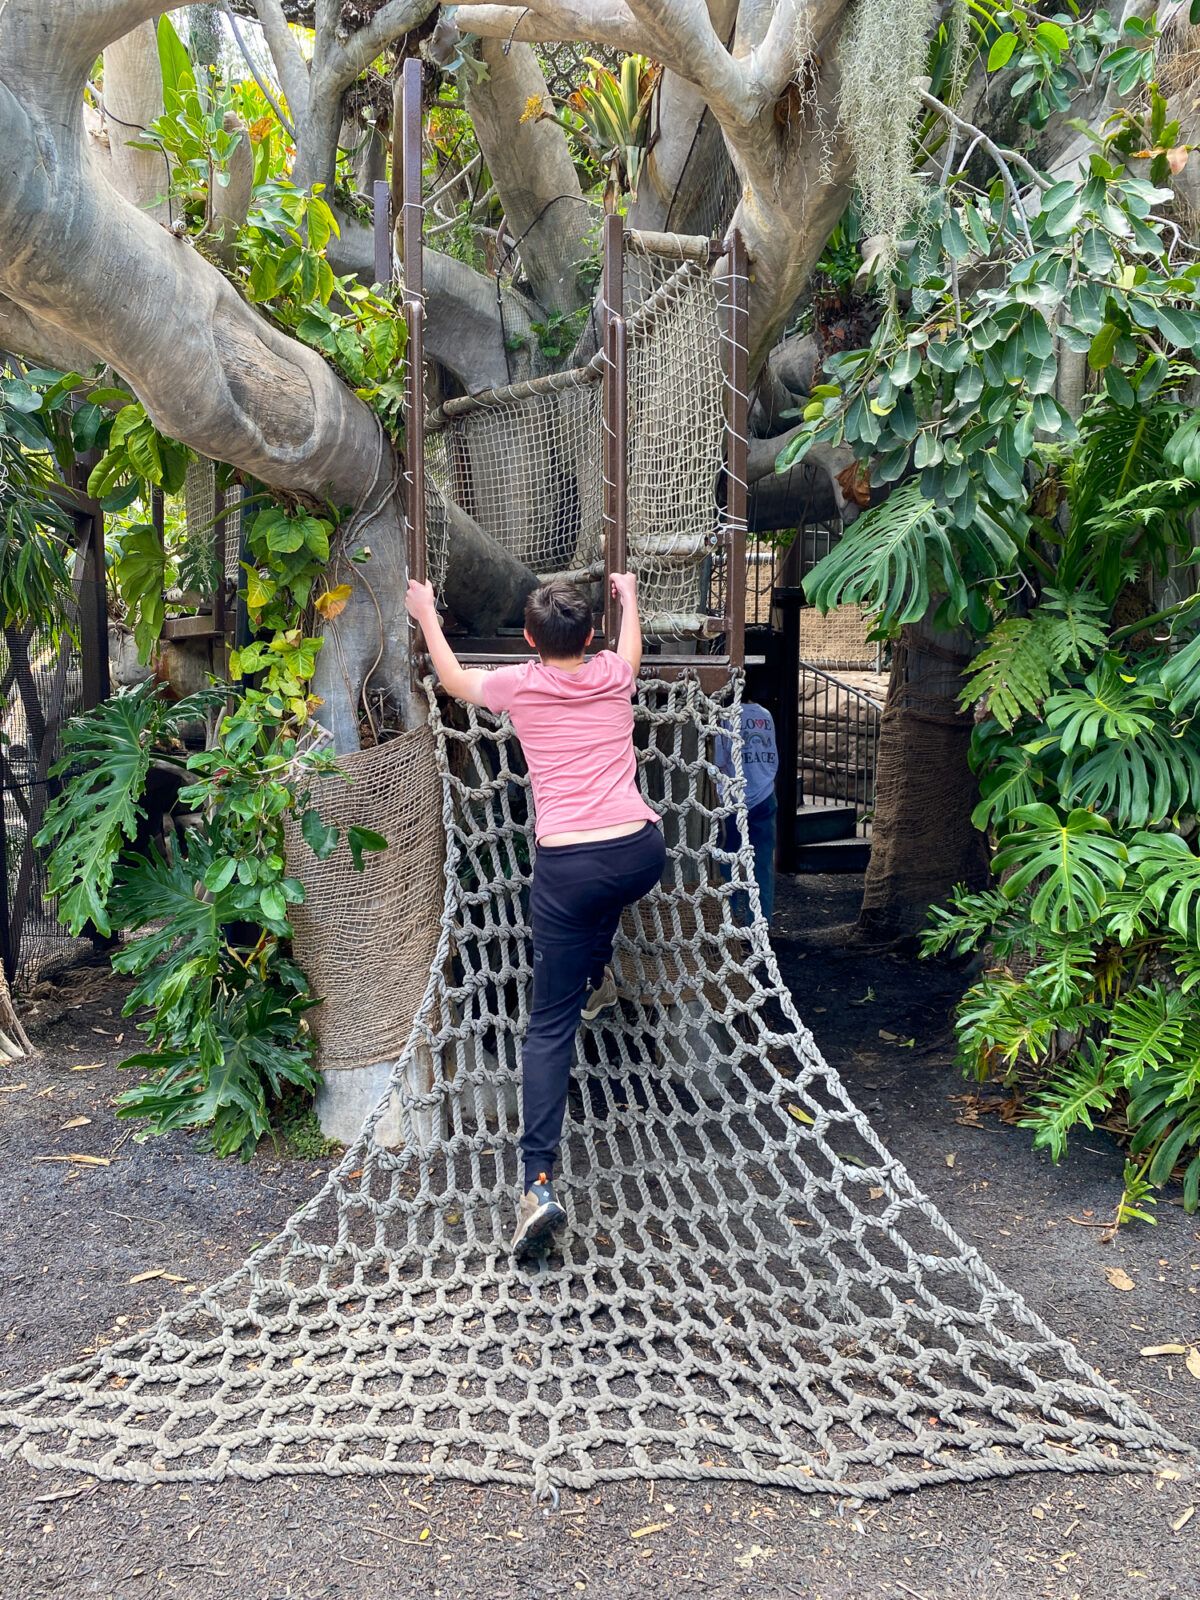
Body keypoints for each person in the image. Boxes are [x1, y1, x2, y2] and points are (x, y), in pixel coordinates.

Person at [403, 572, 666, 1261]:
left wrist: (427, 611)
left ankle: (536, 1184)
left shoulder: (521, 684)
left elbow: (455, 679)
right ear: (589, 638)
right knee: (601, 910)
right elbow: (632, 651)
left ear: (528, 640)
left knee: (548, 1028)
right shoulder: (611, 672)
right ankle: (599, 976)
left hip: (571, 863)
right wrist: (630, 600)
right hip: (641, 851)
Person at [714, 677, 779, 923]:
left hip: (734, 799)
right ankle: (760, 923)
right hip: (764, 795)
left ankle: (727, 922)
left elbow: (719, 761)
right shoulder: (765, 715)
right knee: (762, 863)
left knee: (727, 861)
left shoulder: (724, 717)